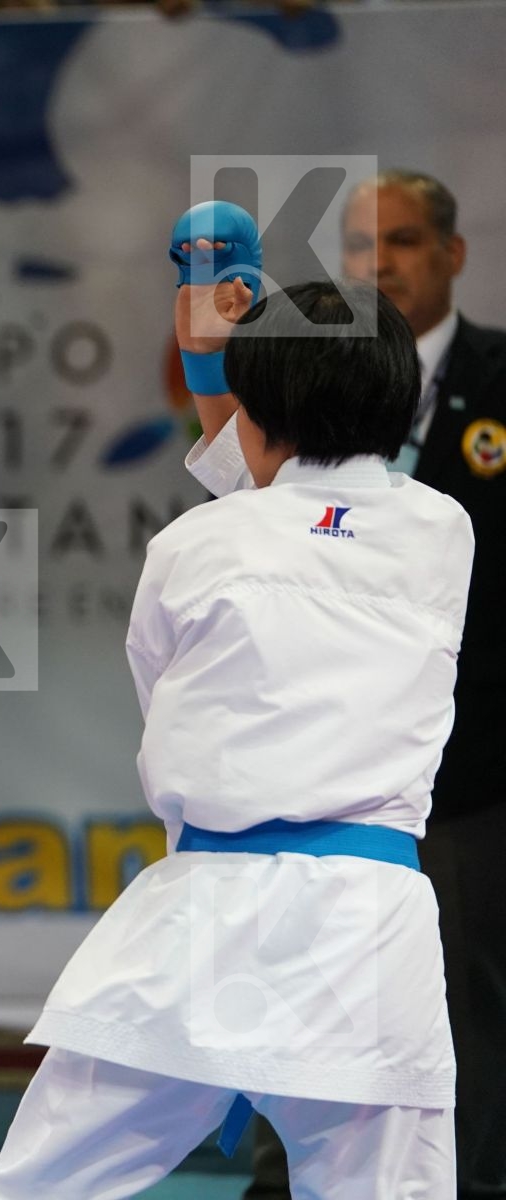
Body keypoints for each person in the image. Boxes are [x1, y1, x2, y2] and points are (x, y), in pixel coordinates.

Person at [0, 206, 470, 1199]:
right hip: (367, 927)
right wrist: (231, 355)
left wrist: (210, 337)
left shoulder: (200, 545)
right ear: (406, 405)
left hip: (207, 915)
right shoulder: (442, 532)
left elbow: (176, 671)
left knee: (36, 1184)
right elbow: (305, 484)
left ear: (258, 409)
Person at [243, 171, 506, 1200]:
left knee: (460, 1000)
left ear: (451, 254)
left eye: (401, 241)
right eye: (360, 245)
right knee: (299, 991)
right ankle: (280, 1183)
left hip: (474, 769)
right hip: (315, 764)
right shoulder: (304, 382)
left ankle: (472, 1186)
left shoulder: (503, 380)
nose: (378, 264)